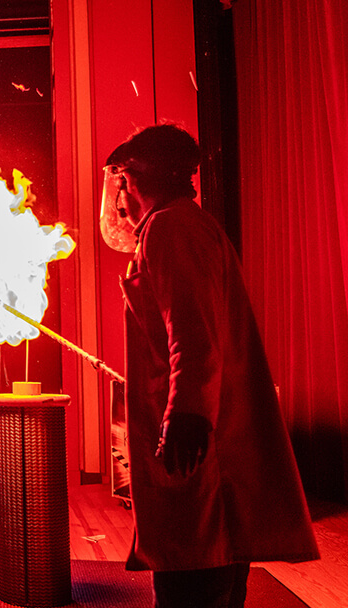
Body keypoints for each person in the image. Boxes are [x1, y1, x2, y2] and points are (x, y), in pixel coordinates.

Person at [102, 124, 318, 607]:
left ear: (137, 179)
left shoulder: (170, 227)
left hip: (202, 446)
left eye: (124, 181)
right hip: (205, 436)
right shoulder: (184, 223)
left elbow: (193, 333)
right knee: (207, 573)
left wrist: (187, 413)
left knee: (194, 575)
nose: (121, 195)